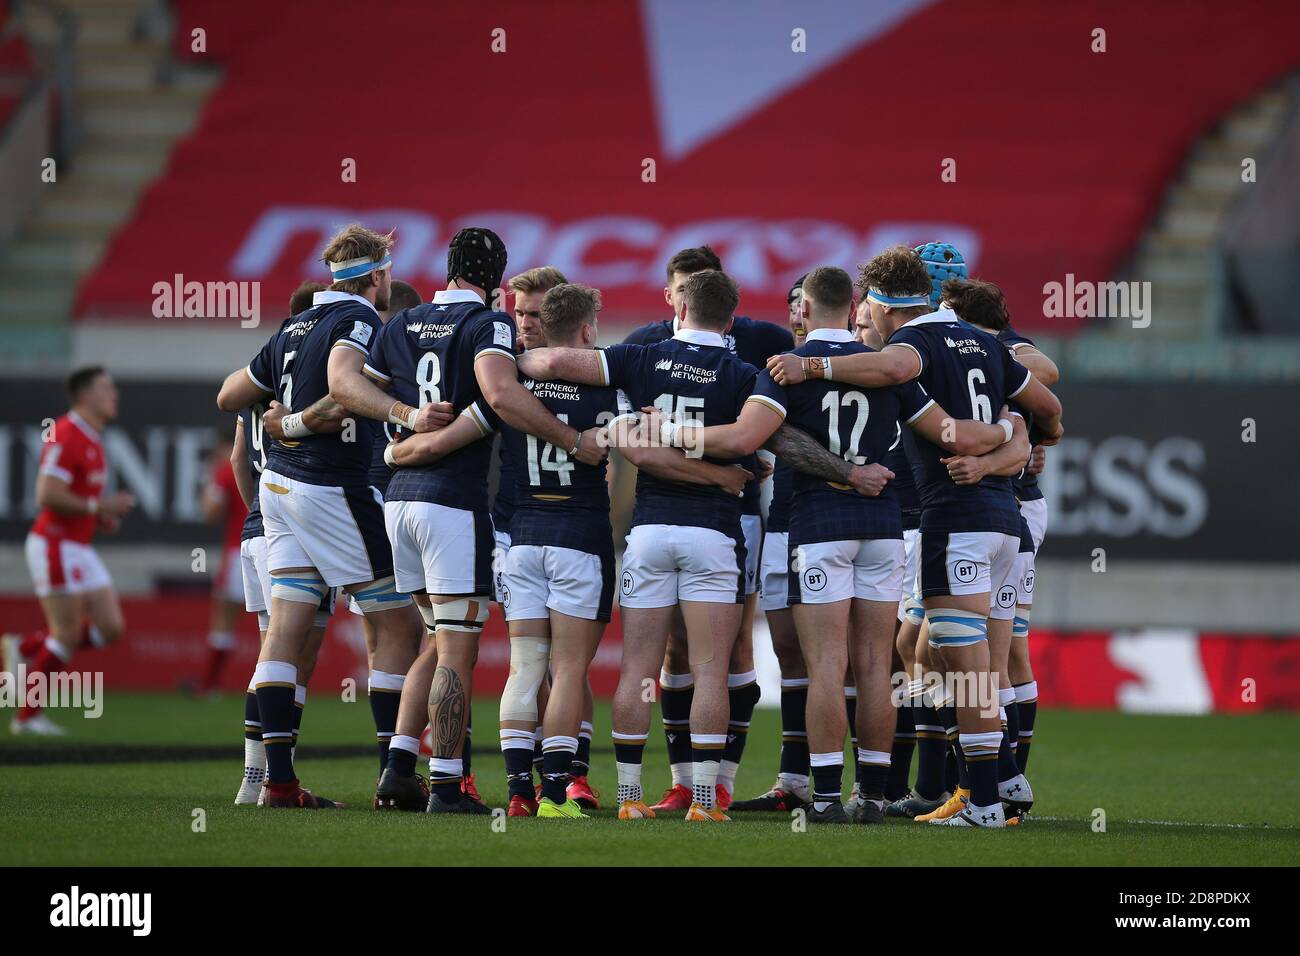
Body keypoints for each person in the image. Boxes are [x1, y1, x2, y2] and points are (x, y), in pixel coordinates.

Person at [4, 368, 135, 736]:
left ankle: (25, 645)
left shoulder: (93, 437)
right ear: (84, 395)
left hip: (78, 545)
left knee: (110, 628)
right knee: (65, 633)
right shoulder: (66, 431)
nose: (115, 394)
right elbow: (45, 495)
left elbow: (79, 497)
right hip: (55, 544)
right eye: (106, 388)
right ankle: (26, 717)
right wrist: (98, 507)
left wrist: (100, 514)